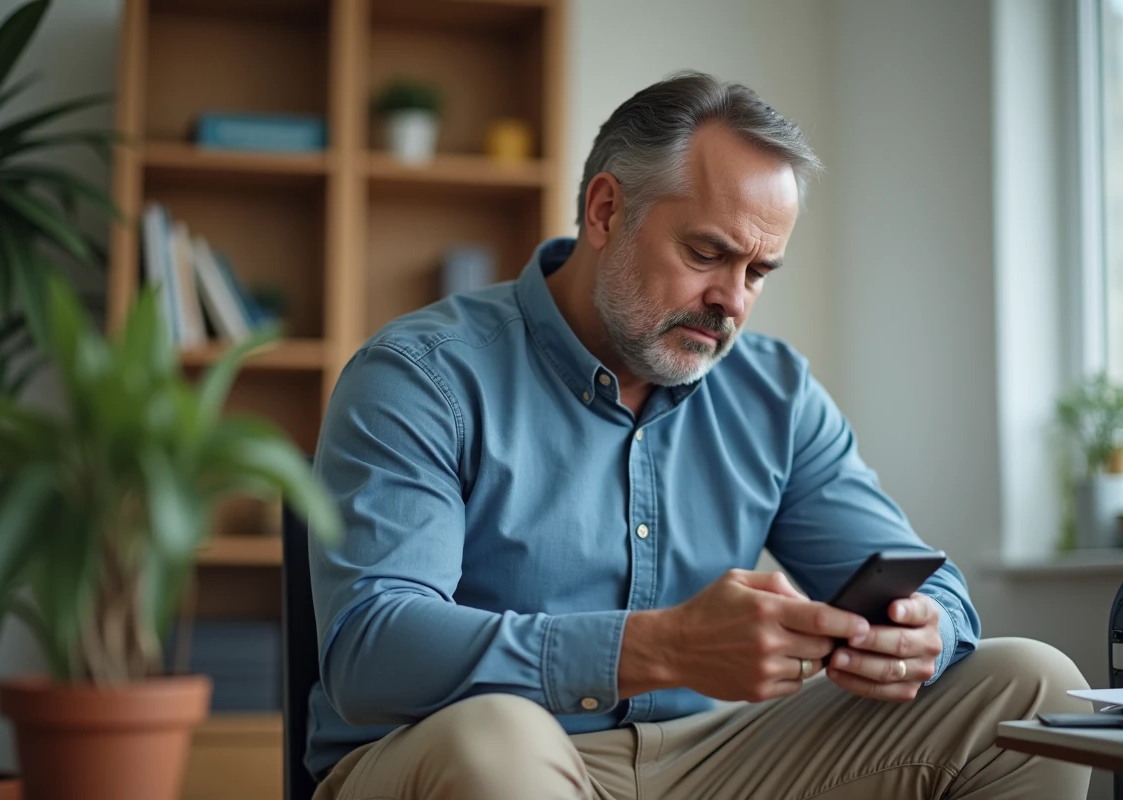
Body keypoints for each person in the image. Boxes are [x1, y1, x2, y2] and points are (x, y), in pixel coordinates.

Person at [305, 72, 1090, 800]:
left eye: (758, 272)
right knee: (498, 736)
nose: (731, 302)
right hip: (458, 754)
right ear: (606, 211)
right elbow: (371, 651)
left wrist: (925, 632)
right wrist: (656, 648)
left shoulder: (775, 392)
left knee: (1032, 681)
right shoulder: (421, 376)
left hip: (709, 755)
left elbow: (932, 586)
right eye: (707, 253)